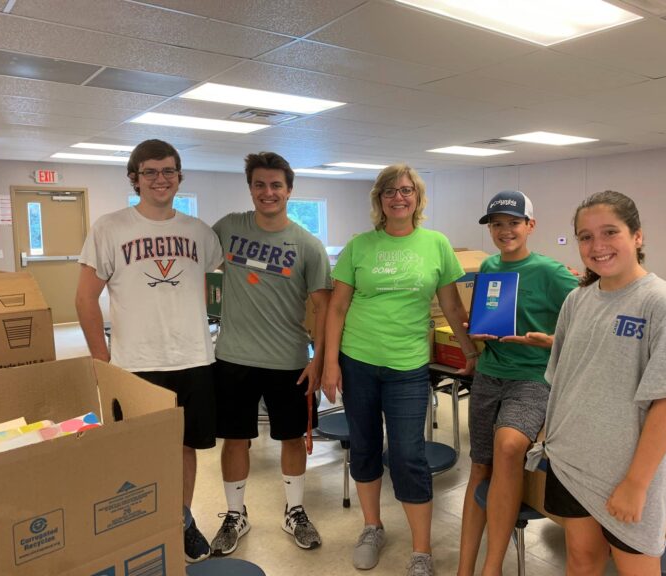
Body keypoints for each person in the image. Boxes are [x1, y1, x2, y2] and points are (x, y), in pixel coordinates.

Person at [322, 164, 479, 576]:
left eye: (406, 190)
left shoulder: (436, 244)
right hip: (358, 361)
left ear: (417, 198)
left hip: (409, 366)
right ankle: (372, 527)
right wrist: (330, 364)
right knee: (365, 445)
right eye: (390, 191)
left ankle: (421, 552)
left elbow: (451, 305)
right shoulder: (359, 246)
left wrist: (468, 351)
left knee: (409, 455)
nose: (398, 197)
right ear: (379, 199)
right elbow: (337, 307)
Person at [75, 139, 223, 564]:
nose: (161, 179)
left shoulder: (199, 232)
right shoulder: (110, 228)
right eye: (151, 172)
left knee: (185, 448)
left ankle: (182, 522)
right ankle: (139, 527)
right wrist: (101, 358)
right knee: (135, 453)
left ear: (180, 176)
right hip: (136, 364)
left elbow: (226, 277)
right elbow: (85, 299)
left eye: (169, 171)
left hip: (194, 358)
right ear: (134, 178)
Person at [539, 190, 666, 575]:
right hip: (572, 462)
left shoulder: (664, 305)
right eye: (585, 236)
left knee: (637, 568)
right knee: (581, 560)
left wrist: (636, 483)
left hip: (628, 472)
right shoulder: (577, 301)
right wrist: (549, 441)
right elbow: (563, 378)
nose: (597, 246)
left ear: (637, 236)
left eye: (610, 232)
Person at [210, 151, 331, 555]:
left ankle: (294, 510)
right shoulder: (227, 228)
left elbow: (323, 307)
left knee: (292, 438)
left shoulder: (307, 245)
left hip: (290, 361)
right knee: (235, 439)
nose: (268, 192)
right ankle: (234, 514)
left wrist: (319, 359)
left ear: (289, 190)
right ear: (250, 188)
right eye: (260, 184)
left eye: (276, 185)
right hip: (233, 358)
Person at [458, 190, 578, 576]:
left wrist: (550, 341)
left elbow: (585, 326)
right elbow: (491, 315)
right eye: (497, 224)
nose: (504, 230)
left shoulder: (553, 273)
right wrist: (476, 331)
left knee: (508, 446)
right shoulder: (490, 267)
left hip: (532, 377)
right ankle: (464, 569)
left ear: (530, 226)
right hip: (490, 374)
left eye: (513, 223)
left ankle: (492, 568)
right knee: (479, 466)